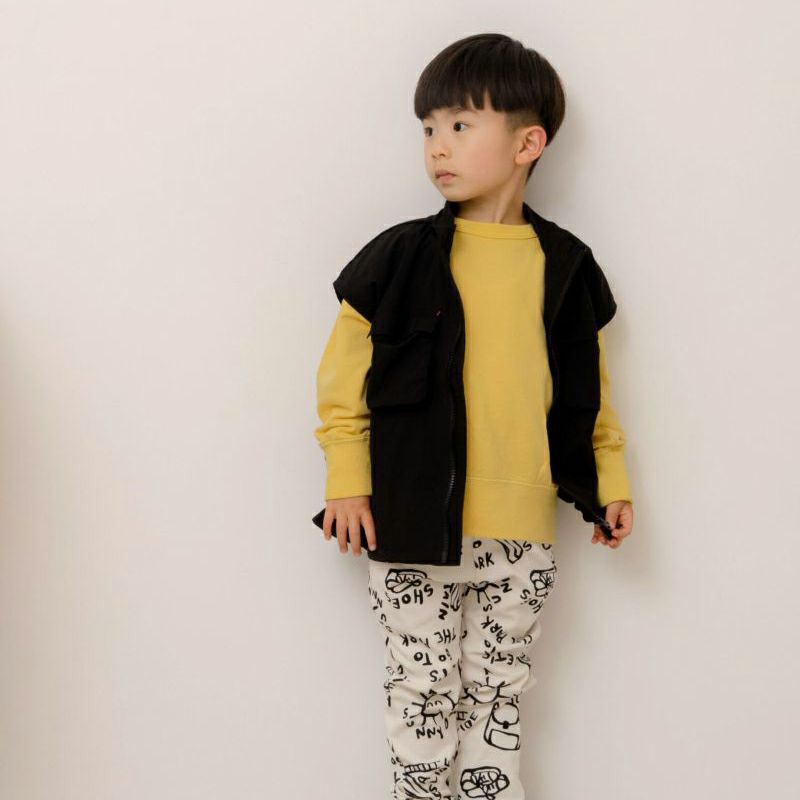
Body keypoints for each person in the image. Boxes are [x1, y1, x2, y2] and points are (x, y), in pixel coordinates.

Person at [313, 32, 635, 800]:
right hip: (412, 520)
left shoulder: (566, 268)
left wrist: (609, 483)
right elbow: (342, 386)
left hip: (520, 527)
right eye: (428, 127)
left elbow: (588, 394)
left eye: (460, 125)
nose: (437, 145)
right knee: (421, 694)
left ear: (528, 143)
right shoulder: (396, 260)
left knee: (499, 695)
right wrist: (348, 480)